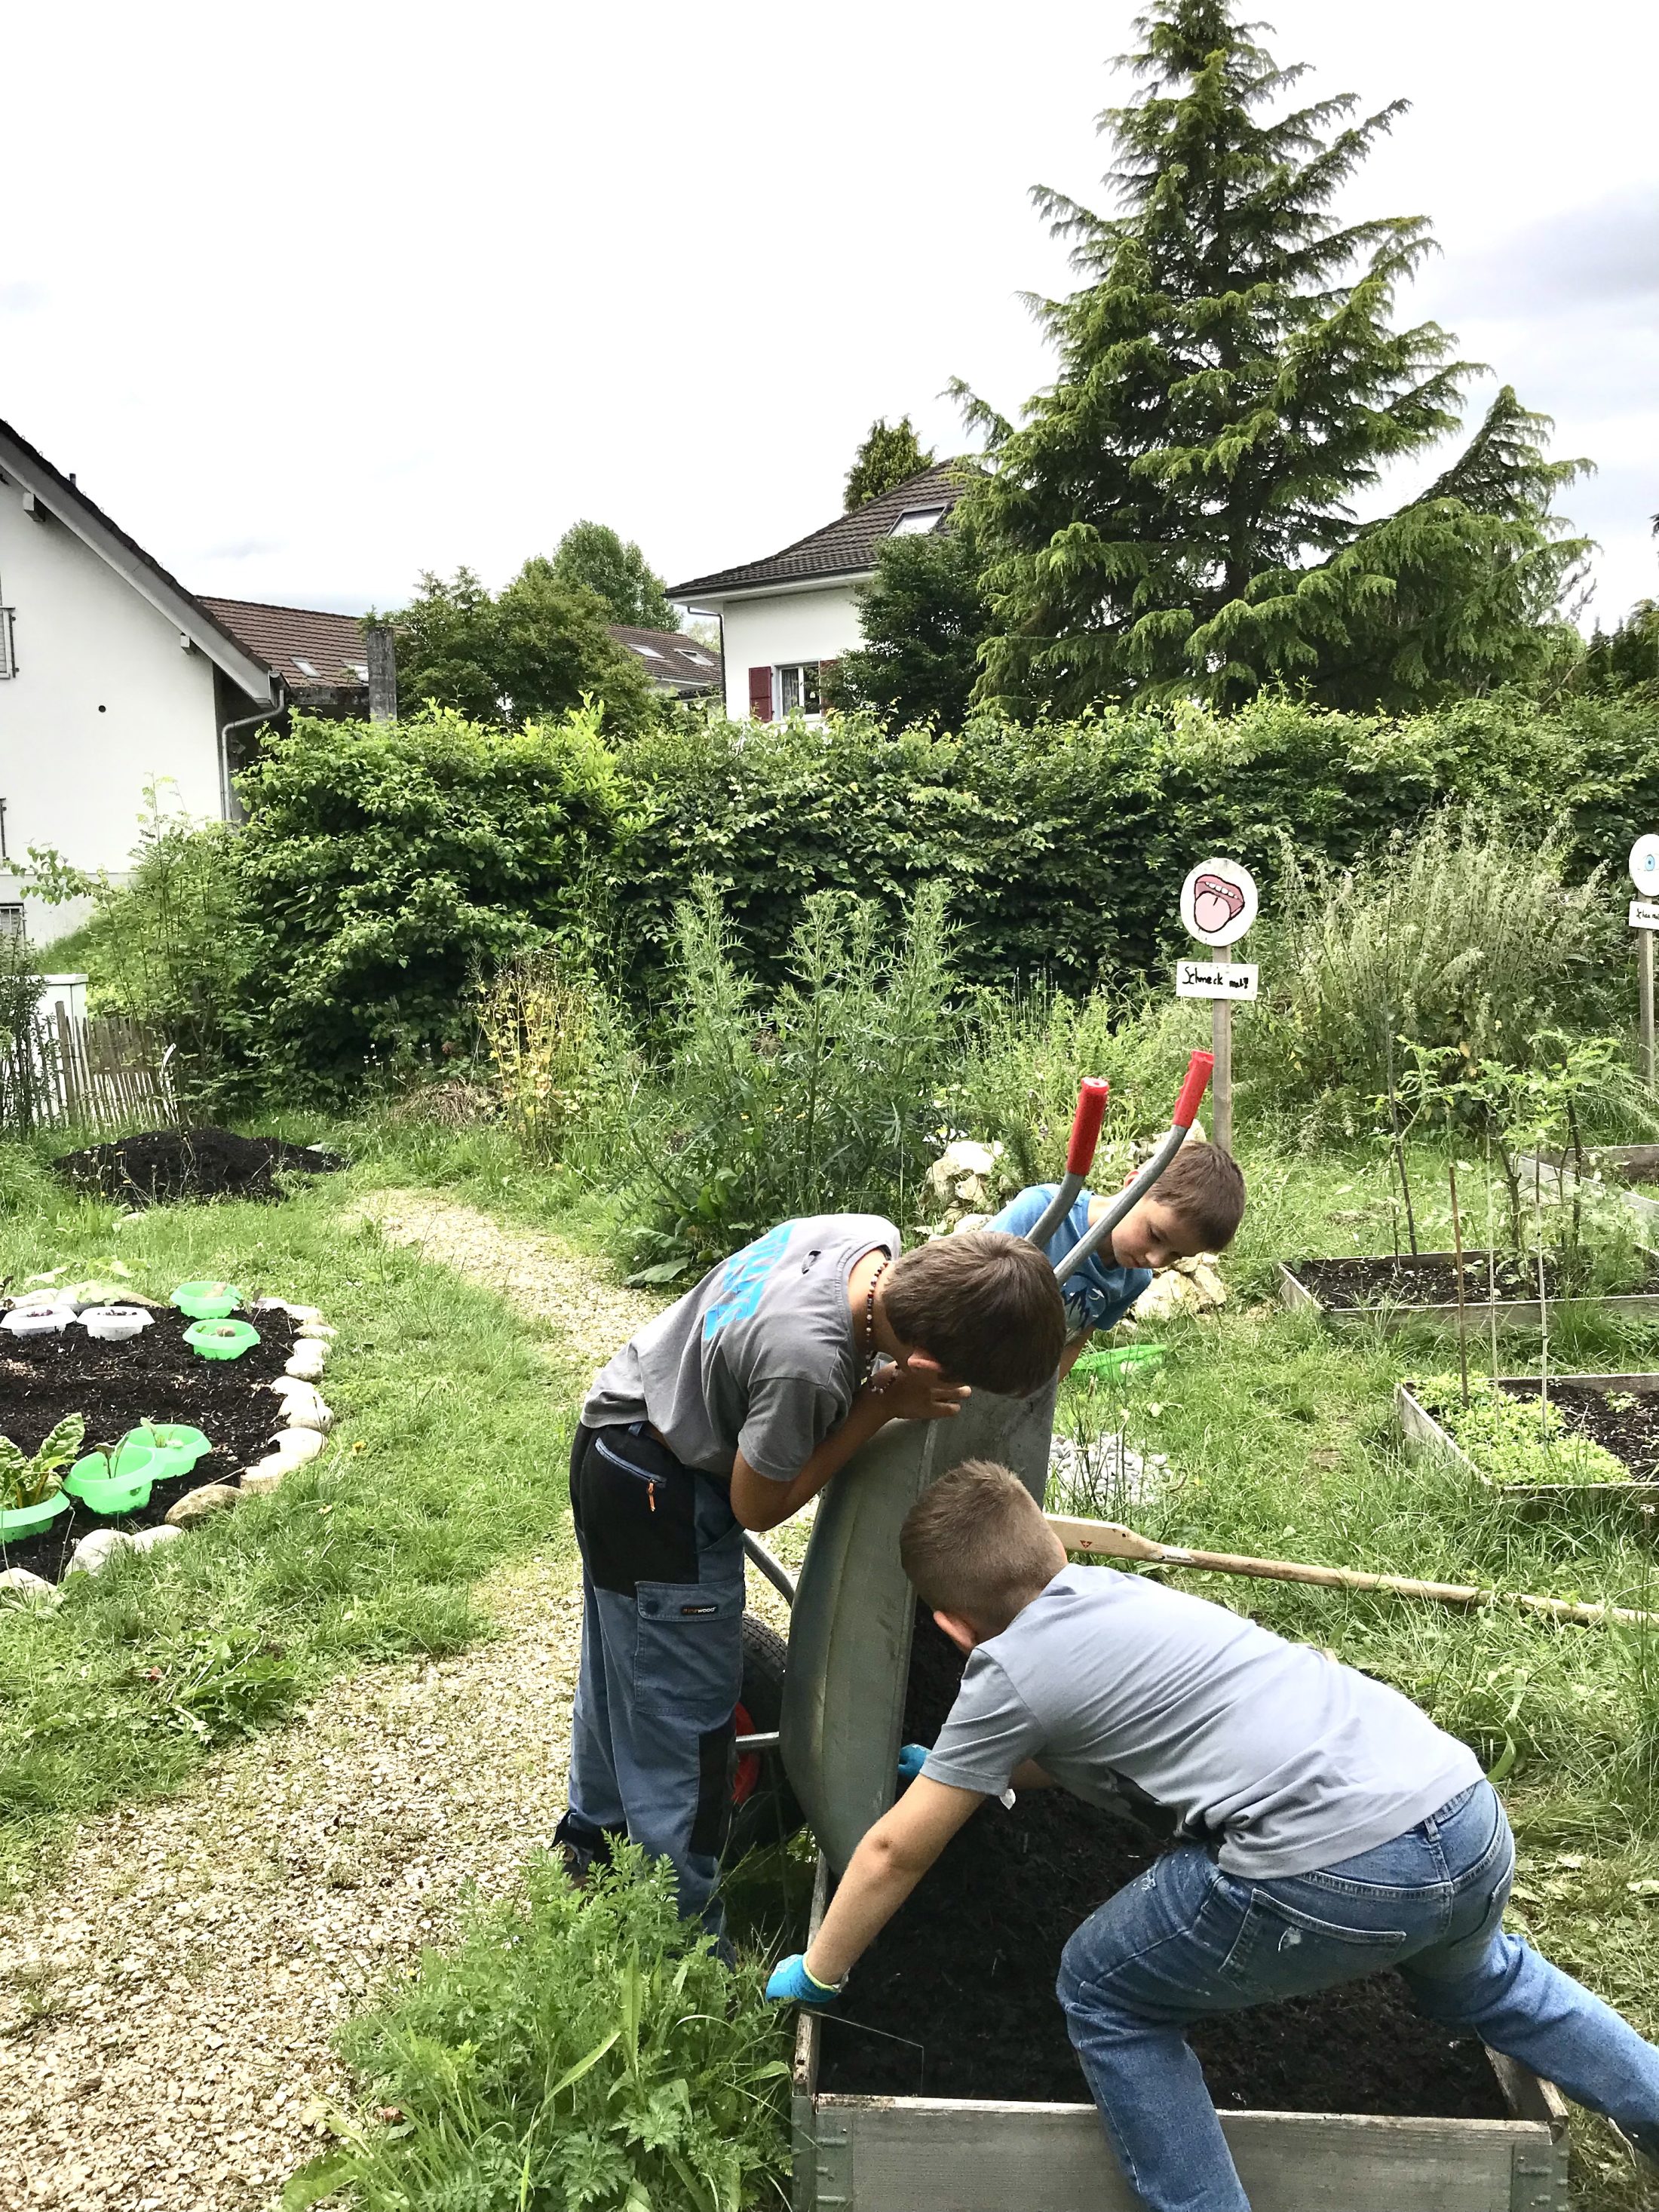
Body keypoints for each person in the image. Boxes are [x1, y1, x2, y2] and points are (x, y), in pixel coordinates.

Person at [768, 1459, 1659, 2210]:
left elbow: (893, 1848)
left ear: (951, 1627)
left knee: (1104, 1989)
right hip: (1461, 1812)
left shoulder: (1006, 1669)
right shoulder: (1116, 1593)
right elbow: (1100, 1744)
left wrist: (823, 1966)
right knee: (1494, 1984)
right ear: (1057, 1549)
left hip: (1338, 1869)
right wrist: (970, 1768)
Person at [556, 1223, 1067, 1930]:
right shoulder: (811, 1364)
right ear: (924, 1359)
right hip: (658, 1494)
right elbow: (757, 1504)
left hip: (618, 1429)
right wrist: (881, 1403)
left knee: (622, 1674)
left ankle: (588, 1843)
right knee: (685, 1725)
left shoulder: (866, 1236)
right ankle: (680, 1938)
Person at [983, 1140, 1243, 1373]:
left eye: (1175, 1255)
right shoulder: (1043, 1211)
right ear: (1133, 1187)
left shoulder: (1135, 1279)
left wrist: (1038, 1400)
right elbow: (964, 1282)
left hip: (1020, 1387)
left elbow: (1073, 1342)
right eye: (1155, 1235)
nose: (1155, 1261)